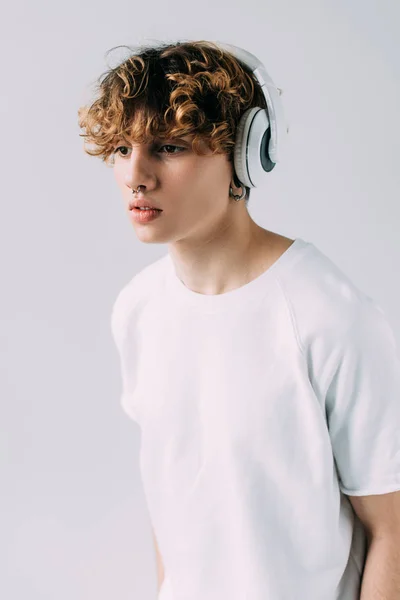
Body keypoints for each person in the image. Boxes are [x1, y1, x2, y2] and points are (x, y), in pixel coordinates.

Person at [78, 40, 400, 600]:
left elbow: (392, 531)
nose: (137, 174)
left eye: (169, 147)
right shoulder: (137, 309)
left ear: (246, 154)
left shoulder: (329, 317)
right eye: (122, 149)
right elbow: (178, 511)